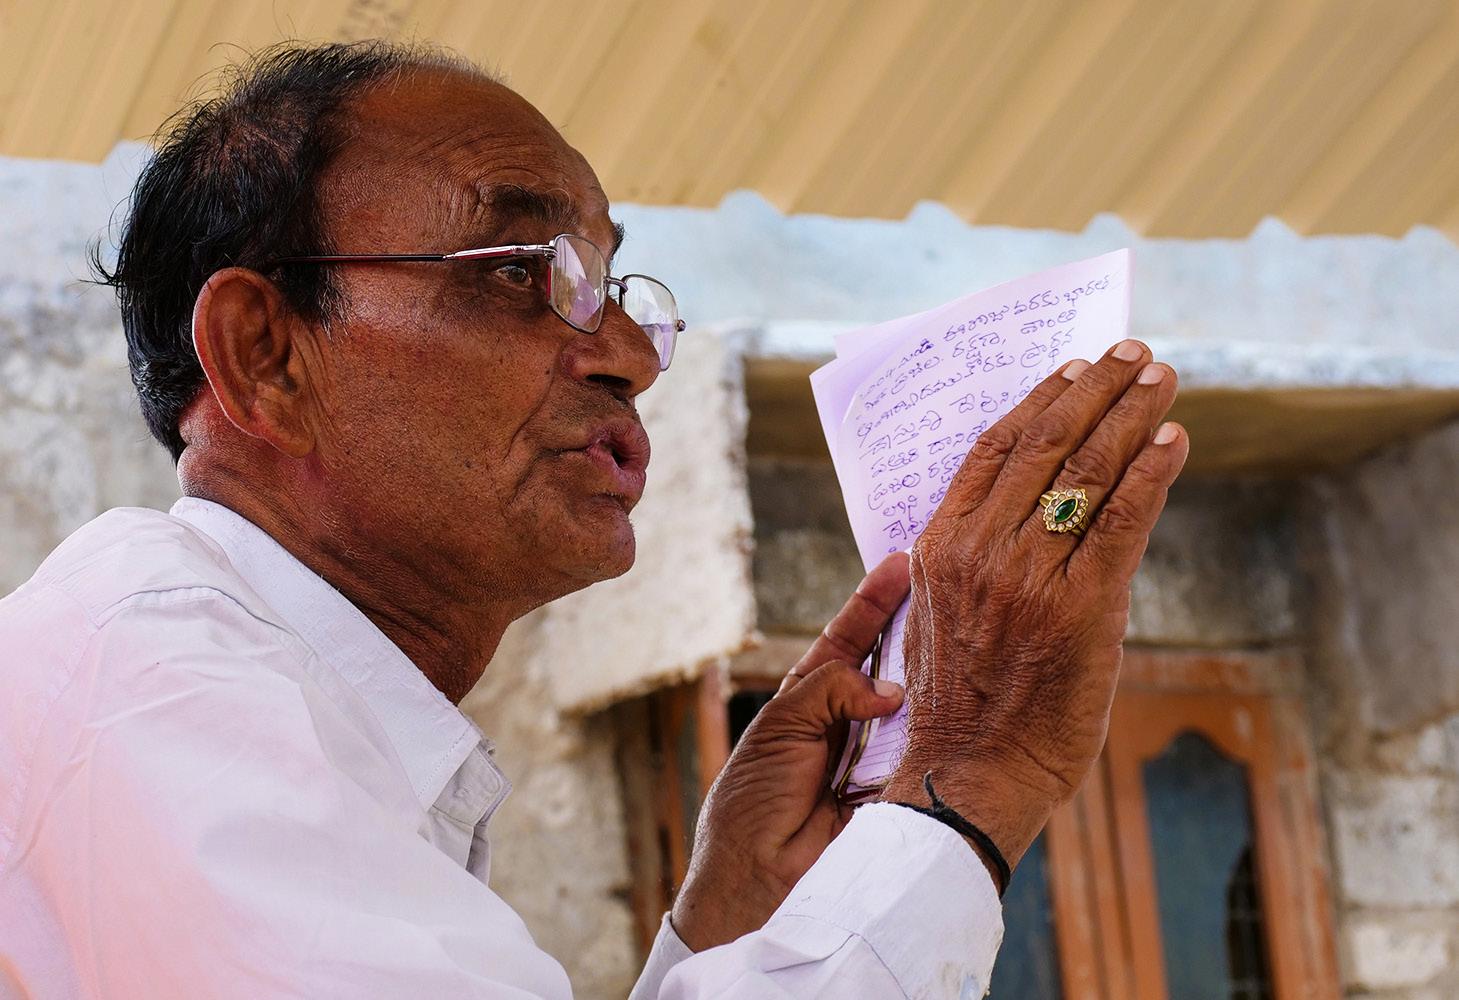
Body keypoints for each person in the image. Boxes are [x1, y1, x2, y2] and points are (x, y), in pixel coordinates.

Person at [0, 41, 1187, 999]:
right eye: (521, 270)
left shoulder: (236, 692)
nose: (628, 353)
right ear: (265, 354)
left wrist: (724, 920)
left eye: (611, 282)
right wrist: (966, 781)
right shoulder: (148, 677)